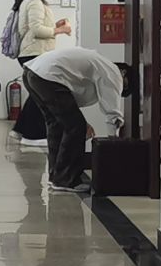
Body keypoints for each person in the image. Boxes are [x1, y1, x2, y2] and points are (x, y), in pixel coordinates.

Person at [21, 45, 133, 195]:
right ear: (123, 72)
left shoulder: (98, 63)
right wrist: (113, 140)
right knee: (75, 127)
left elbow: (67, 103)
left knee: (57, 124)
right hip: (47, 76)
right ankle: (66, 180)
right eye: (125, 84)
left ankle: (56, 176)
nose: (121, 88)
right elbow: (112, 112)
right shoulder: (113, 71)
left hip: (32, 73)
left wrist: (83, 122)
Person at [7, 0, 72, 148]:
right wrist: (61, 30)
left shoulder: (31, 1)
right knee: (42, 94)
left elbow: (35, 27)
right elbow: (36, 30)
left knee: (38, 93)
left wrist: (55, 26)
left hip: (33, 52)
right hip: (34, 52)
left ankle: (21, 130)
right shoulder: (34, 2)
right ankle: (32, 135)